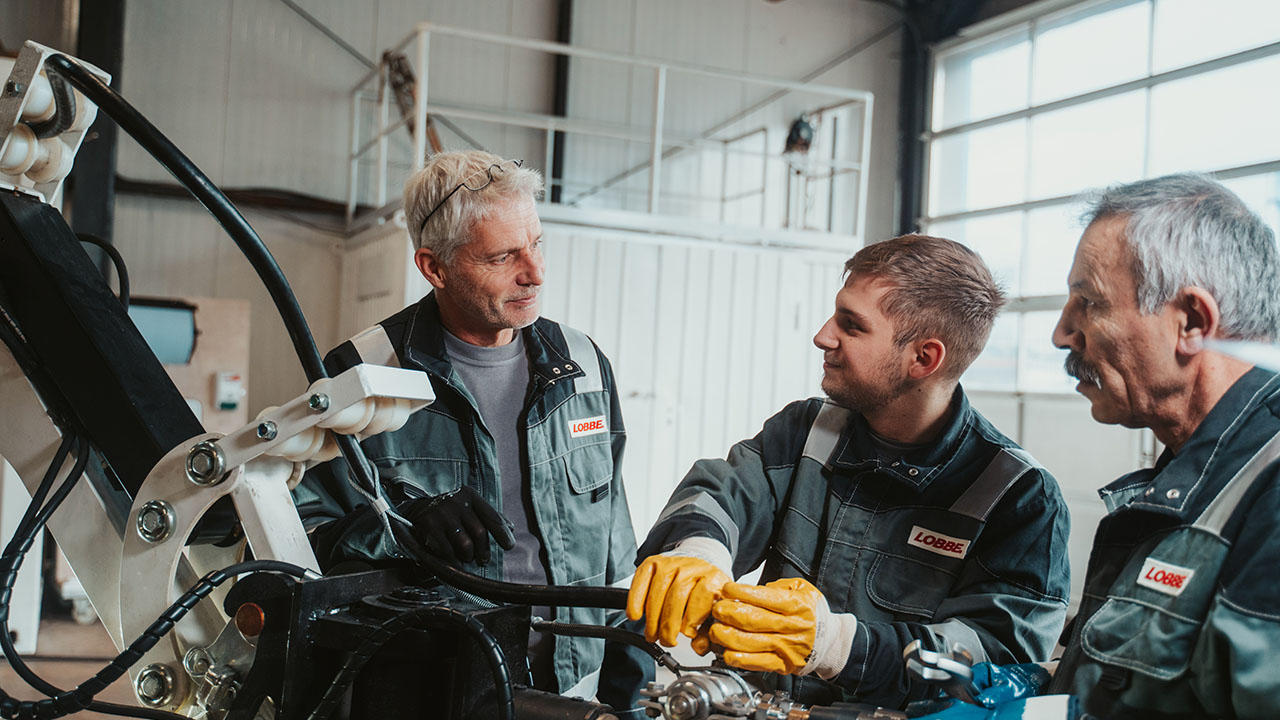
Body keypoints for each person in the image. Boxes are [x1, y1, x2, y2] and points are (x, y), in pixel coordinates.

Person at [627, 235, 1071, 709]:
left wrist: (838, 646)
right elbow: (721, 495)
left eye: (852, 325)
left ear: (923, 358)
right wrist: (698, 550)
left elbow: (996, 665)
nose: (823, 336)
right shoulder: (807, 430)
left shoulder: (1018, 497)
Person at [295, 150, 651, 713]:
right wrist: (403, 527)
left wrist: (629, 696)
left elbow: (616, 547)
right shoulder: (363, 374)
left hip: (572, 690)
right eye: (503, 256)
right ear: (434, 268)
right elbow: (299, 538)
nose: (534, 273)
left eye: (536, 244)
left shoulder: (581, 365)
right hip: (432, 694)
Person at [1048, 173, 1280, 718]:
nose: (1062, 334)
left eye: (1089, 302)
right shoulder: (1198, 476)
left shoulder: (1269, 494)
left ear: (1192, 322)